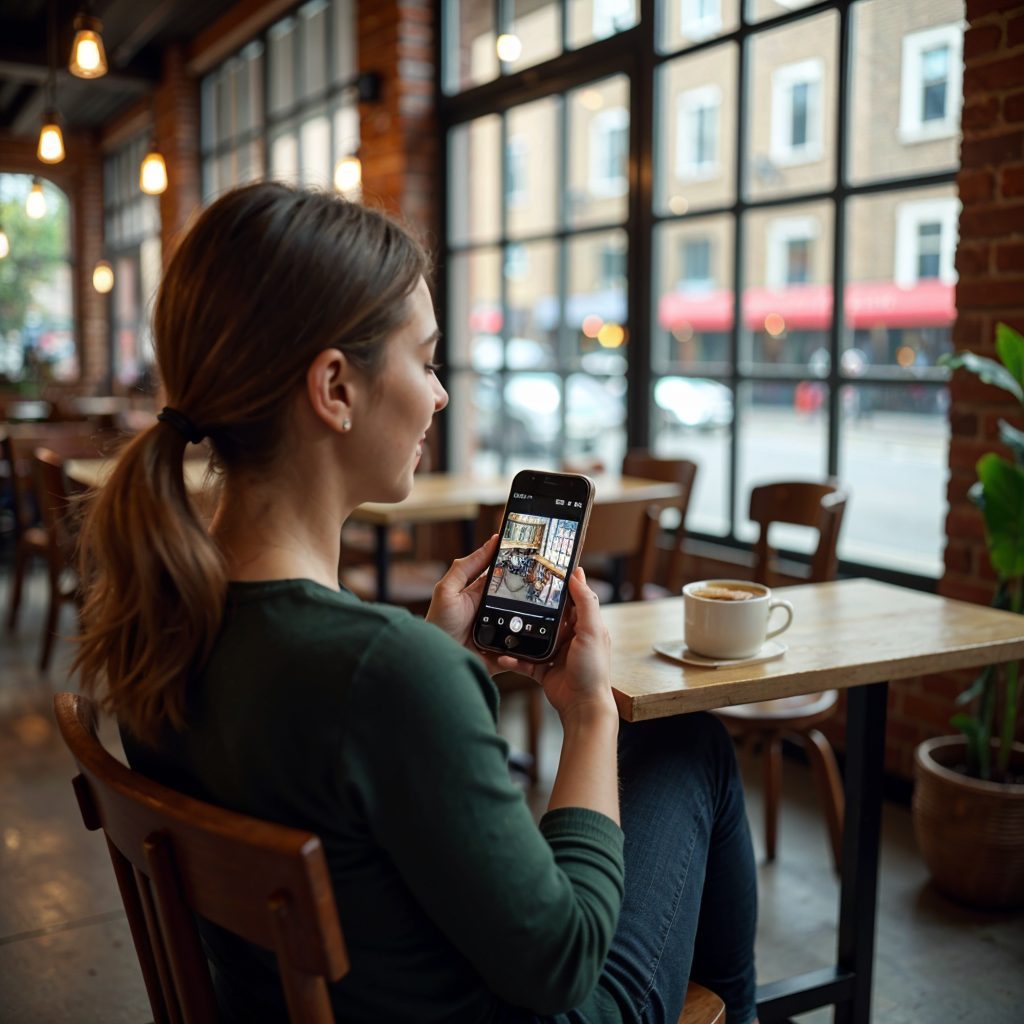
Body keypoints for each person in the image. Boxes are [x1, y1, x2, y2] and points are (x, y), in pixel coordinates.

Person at [74, 182, 758, 1024]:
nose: (439, 395)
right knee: (691, 745)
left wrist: (433, 653)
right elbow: (565, 968)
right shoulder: (383, 676)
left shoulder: (164, 620)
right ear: (335, 388)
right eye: (427, 360)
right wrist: (588, 715)